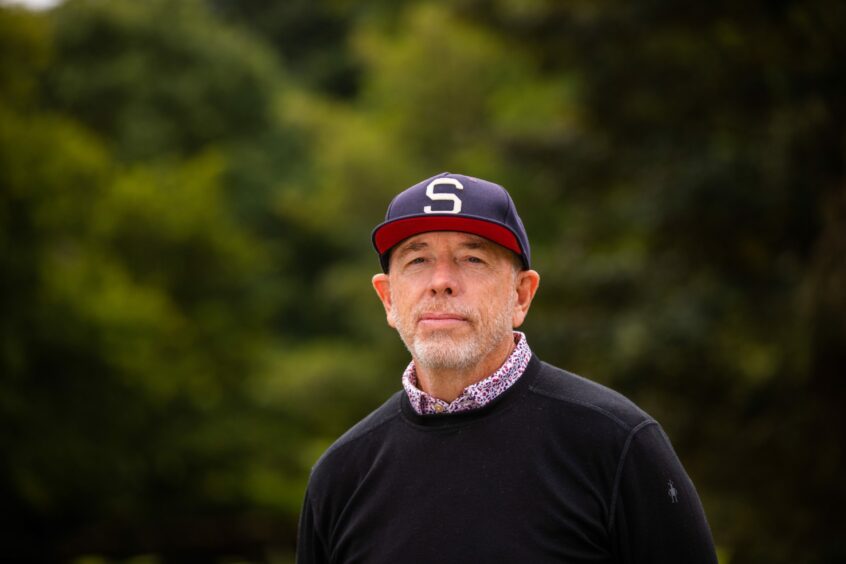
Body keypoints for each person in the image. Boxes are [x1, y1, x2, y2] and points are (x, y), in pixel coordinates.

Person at [296, 172, 717, 563]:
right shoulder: (340, 477)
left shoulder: (617, 444)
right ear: (388, 299)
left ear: (521, 295)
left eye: (472, 259)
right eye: (417, 260)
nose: (441, 281)